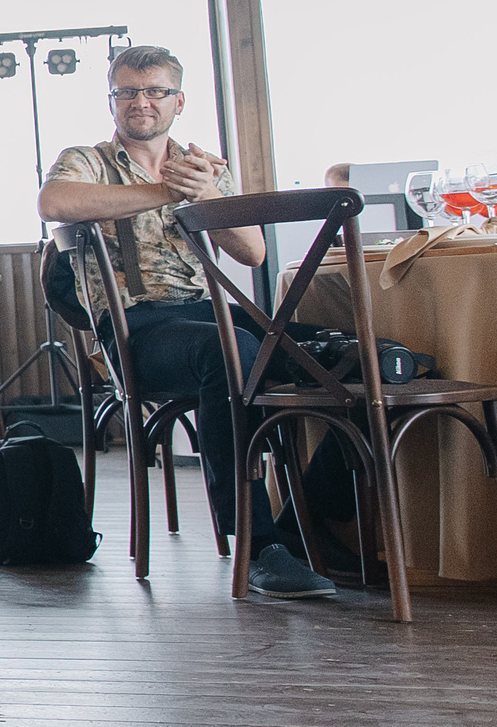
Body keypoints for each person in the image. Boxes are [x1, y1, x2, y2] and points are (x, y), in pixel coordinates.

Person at [37, 46, 338, 600]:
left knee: (352, 361)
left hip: (210, 314)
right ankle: (257, 544)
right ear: (112, 100)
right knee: (230, 354)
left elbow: (250, 252)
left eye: (155, 91)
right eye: (127, 91)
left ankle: (311, 526)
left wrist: (205, 192)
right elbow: (53, 201)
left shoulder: (199, 167)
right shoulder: (87, 159)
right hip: (138, 330)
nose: (140, 102)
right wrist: (165, 193)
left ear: (180, 101)